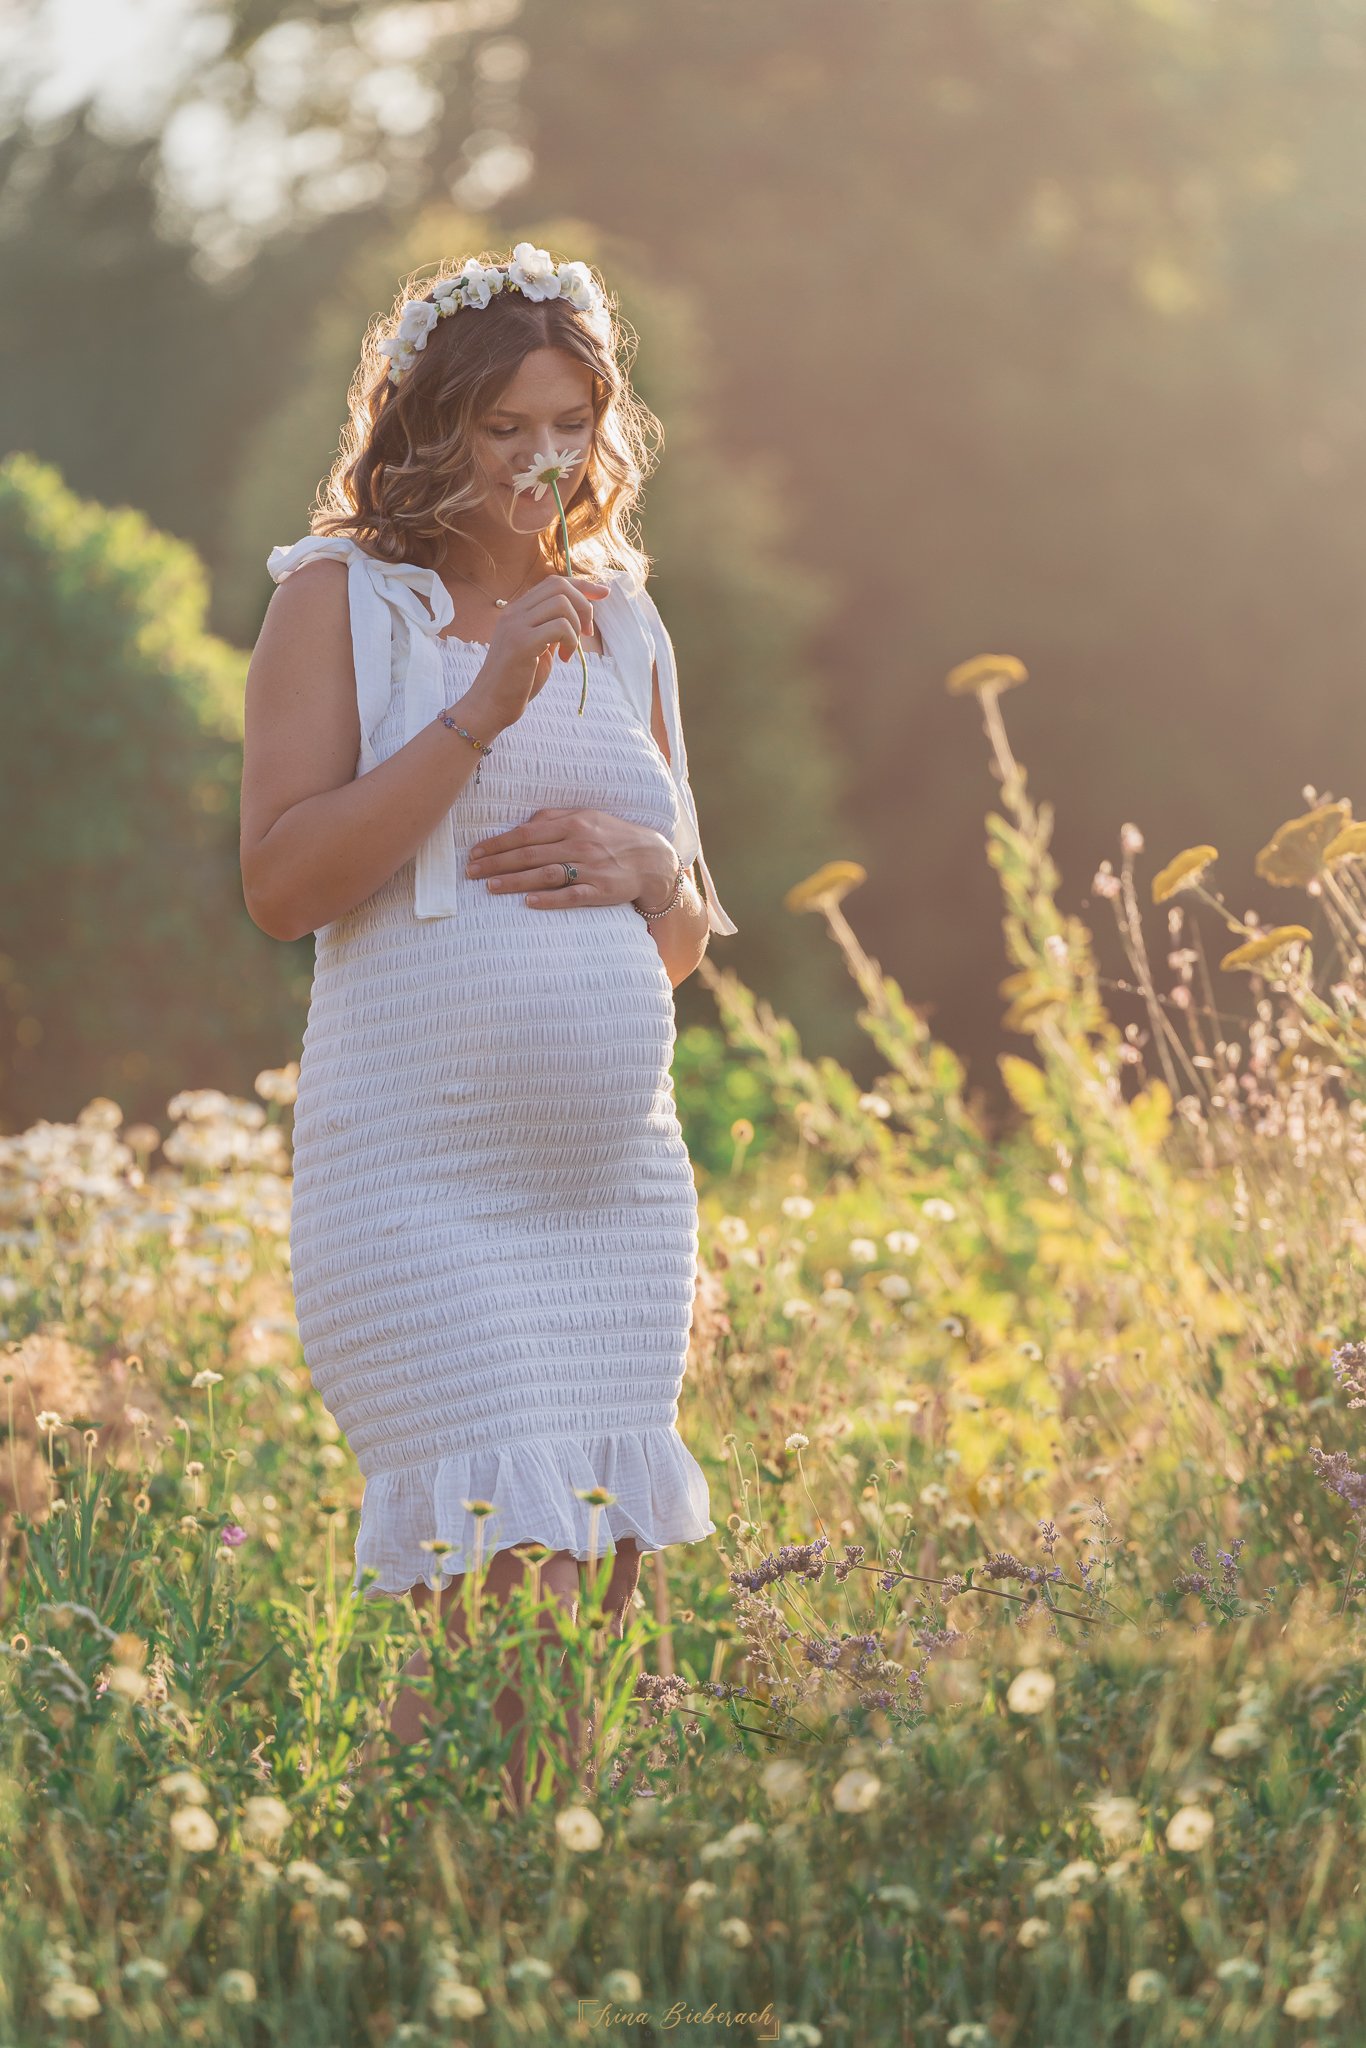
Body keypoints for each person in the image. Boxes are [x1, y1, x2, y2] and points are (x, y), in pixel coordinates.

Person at [240, 244, 738, 1810]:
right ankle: (414, 1886)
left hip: (609, 1199)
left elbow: (678, 941)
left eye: (569, 425)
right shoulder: (340, 601)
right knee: (507, 1597)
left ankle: (519, 1900)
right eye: (503, 427)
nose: (541, 462)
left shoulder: (628, 620)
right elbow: (282, 884)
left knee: (595, 1629)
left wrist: (655, 870)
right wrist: (480, 712)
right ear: (425, 424)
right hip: (417, 1186)